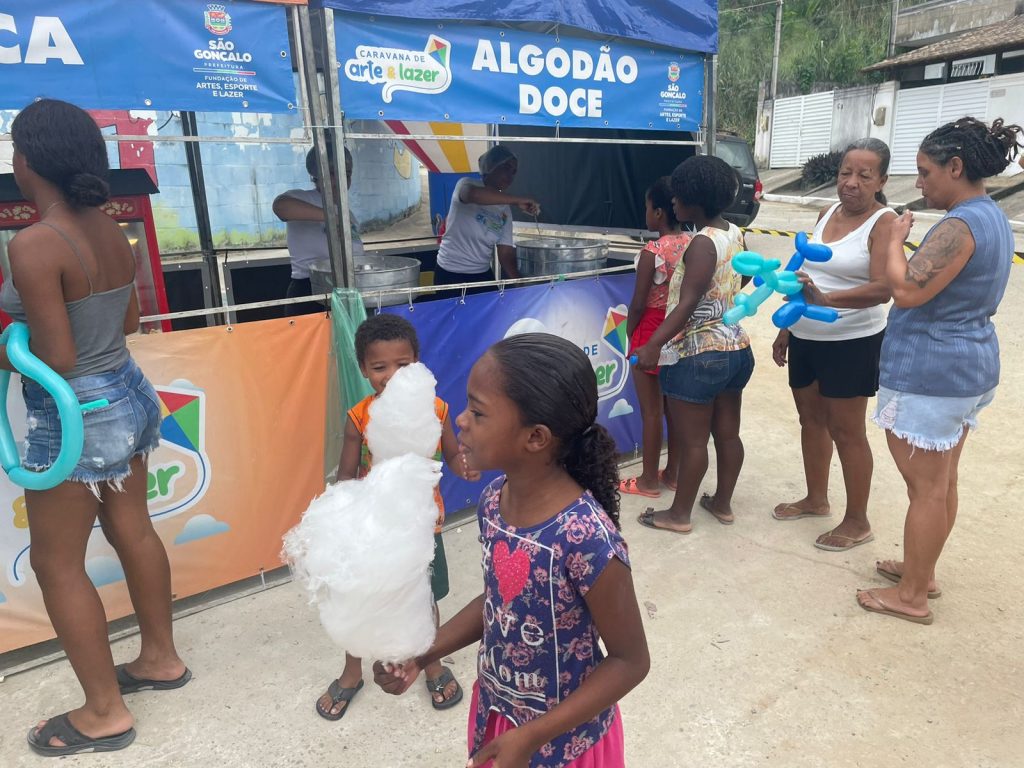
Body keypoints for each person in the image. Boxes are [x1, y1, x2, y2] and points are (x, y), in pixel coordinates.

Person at [5, 99, 190, 757]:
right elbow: (130, 322)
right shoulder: (110, 227)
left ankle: (104, 713)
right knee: (133, 528)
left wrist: (4, 351)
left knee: (56, 563)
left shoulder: (34, 242)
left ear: (27, 161)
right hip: (127, 391)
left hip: (75, 411)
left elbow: (55, 357)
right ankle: (160, 658)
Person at [373, 333, 650, 767]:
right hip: (500, 716)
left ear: (535, 437)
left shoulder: (585, 537)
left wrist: (533, 736)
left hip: (564, 741)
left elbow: (630, 661)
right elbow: (501, 602)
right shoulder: (493, 501)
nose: (461, 420)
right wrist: (424, 651)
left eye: (478, 412)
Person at [856, 117, 1022, 624]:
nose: (920, 183)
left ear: (955, 167)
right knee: (941, 481)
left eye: (926, 172)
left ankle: (911, 595)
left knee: (926, 488)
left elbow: (906, 290)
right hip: (966, 366)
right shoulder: (991, 216)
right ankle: (920, 572)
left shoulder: (958, 226)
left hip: (932, 371)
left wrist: (893, 238)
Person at [316, 313, 478, 719]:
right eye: (379, 367)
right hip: (374, 530)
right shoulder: (359, 417)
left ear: (417, 365)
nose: (390, 376)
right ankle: (352, 671)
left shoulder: (436, 409)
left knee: (425, 598)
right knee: (361, 598)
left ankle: (430, 661)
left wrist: (466, 466)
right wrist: (341, 515)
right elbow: (347, 475)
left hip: (424, 527)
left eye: (402, 365)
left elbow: (452, 455)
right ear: (363, 369)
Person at [771, 139, 897, 551]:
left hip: (852, 340)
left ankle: (858, 521)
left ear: (882, 181)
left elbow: (883, 288)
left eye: (864, 175)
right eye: (846, 172)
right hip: (807, 335)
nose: (852, 182)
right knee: (810, 420)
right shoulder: (825, 213)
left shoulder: (884, 222)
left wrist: (828, 300)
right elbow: (805, 276)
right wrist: (788, 328)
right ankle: (816, 499)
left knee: (847, 430)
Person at [633, 155, 754, 534]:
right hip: (736, 348)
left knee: (694, 441)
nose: (673, 201)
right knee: (728, 433)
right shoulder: (735, 233)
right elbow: (744, 275)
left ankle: (679, 515)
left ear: (693, 201)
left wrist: (653, 344)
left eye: (678, 195)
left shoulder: (702, 243)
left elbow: (686, 303)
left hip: (700, 354)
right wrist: (724, 300)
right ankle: (722, 504)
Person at [619, 178, 690, 498]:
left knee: (651, 411)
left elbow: (637, 303)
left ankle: (648, 480)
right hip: (678, 327)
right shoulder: (693, 243)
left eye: (648, 207)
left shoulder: (652, 252)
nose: (645, 212)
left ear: (659, 212)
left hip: (650, 330)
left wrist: (630, 334)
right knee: (673, 408)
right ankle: (672, 473)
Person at [433, 145, 540, 294]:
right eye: (506, 167)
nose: (510, 175)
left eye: (513, 172)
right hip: (450, 273)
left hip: (481, 274)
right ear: (491, 166)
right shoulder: (466, 184)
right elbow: (473, 195)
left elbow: (505, 253)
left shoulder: (505, 210)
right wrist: (517, 201)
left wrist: (520, 283)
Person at [272, 143, 364, 316]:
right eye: (332, 173)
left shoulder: (347, 211)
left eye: (346, 174)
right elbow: (281, 207)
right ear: (316, 176)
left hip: (345, 290)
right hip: (309, 290)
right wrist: (331, 217)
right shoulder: (304, 198)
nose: (340, 180)